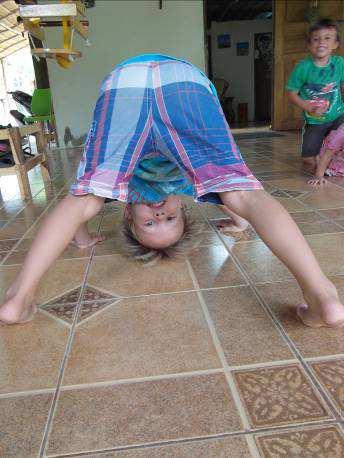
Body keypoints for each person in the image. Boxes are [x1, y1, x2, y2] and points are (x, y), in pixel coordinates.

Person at [1, 53, 344, 329]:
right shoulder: (190, 186)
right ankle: (322, 294)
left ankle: (20, 295)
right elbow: (236, 203)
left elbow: (77, 211)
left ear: (127, 212)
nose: (158, 212)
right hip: (185, 83)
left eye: (150, 223)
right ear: (184, 207)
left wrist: (82, 238)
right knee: (241, 194)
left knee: (83, 198)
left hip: (125, 83)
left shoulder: (119, 191)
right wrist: (240, 222)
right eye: (168, 218)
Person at [286, 18, 344, 173]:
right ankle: (320, 156)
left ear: (335, 44)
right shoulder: (302, 68)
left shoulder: (339, 63)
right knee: (308, 160)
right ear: (309, 44)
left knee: (338, 147)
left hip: (338, 115)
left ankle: (330, 164)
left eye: (327, 38)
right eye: (316, 39)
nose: (321, 43)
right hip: (315, 120)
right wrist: (308, 107)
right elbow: (291, 93)